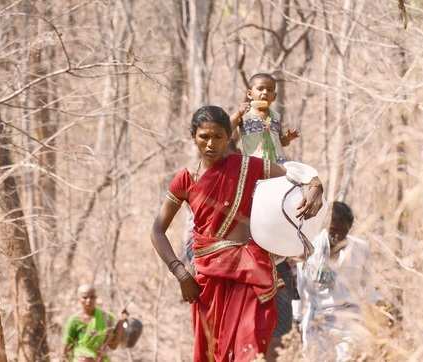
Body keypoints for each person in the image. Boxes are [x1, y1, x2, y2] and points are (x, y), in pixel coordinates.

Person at [150, 105, 324, 362]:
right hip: (206, 281)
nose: (211, 143)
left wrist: (315, 185)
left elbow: (297, 175)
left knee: (248, 349)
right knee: (212, 352)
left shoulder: (247, 167)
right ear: (193, 136)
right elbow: (157, 230)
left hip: (248, 276)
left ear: (228, 136)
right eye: (204, 137)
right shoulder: (185, 180)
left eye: (218, 136)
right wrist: (180, 272)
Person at [229, 72, 301, 357]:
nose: (264, 94)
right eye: (260, 89)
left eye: (270, 91)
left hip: (277, 166)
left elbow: (278, 140)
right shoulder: (246, 117)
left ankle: (284, 246)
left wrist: (287, 138)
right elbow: (231, 134)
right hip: (256, 166)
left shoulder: (274, 116)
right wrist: (236, 115)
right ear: (250, 92)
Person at [296, 202, 382, 362]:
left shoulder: (361, 249)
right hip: (317, 320)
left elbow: (370, 286)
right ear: (326, 225)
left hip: (349, 320)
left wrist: (375, 317)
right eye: (333, 231)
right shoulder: (310, 248)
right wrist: (297, 318)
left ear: (348, 230)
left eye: (342, 233)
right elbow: (300, 287)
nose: (336, 237)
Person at [62, 285, 127, 362]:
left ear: (96, 298)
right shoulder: (74, 320)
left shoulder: (107, 318)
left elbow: (113, 346)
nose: (88, 300)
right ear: (79, 299)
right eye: (85, 297)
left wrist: (121, 324)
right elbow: (66, 349)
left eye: (92, 297)